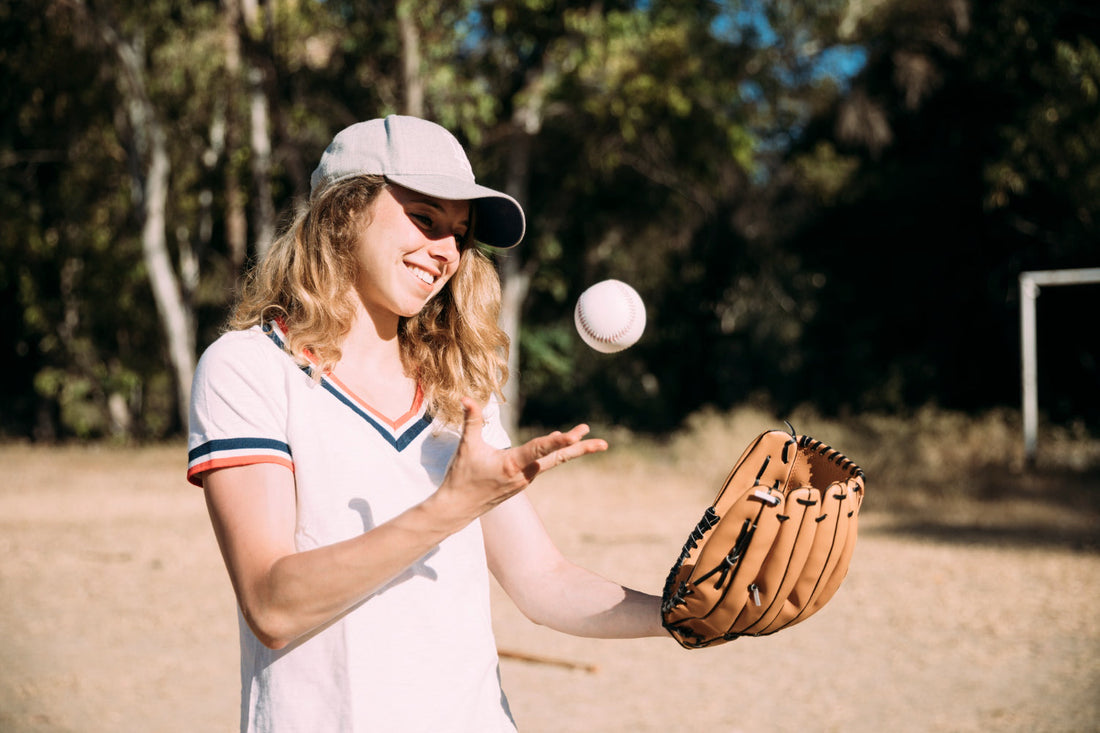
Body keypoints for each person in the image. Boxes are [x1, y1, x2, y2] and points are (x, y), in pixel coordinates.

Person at [187, 114, 665, 733]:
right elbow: (273, 605)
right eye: (425, 218)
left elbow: (544, 583)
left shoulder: (454, 386)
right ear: (343, 211)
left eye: (460, 234)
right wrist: (452, 506)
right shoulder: (249, 367)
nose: (445, 252)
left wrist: (688, 614)